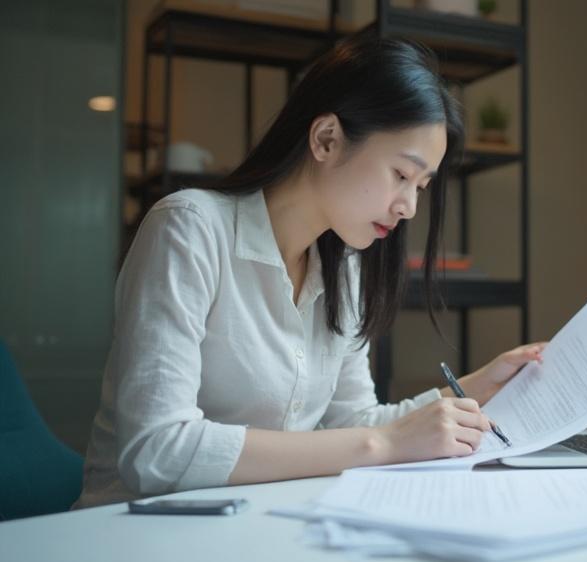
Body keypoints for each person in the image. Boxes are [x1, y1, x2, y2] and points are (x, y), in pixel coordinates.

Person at [75, 32, 544, 508]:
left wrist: (482, 385)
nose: (408, 208)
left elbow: (351, 422)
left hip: (255, 526)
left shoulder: (343, 267)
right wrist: (383, 446)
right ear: (326, 140)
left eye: (421, 186)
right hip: (131, 531)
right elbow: (157, 452)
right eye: (402, 174)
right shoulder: (190, 229)